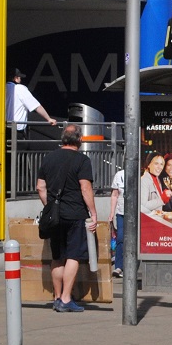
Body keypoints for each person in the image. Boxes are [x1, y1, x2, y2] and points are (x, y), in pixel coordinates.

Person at [35, 125, 97, 313]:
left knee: (57, 257)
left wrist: (50, 205)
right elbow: (85, 188)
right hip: (75, 214)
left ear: (63, 139)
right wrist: (93, 213)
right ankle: (66, 298)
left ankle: (56, 297)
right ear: (79, 140)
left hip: (55, 216)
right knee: (73, 255)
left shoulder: (48, 158)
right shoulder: (82, 160)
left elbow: (40, 187)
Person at [6, 68, 56, 134]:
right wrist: (49, 119)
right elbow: (36, 106)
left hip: (3, 129)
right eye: (20, 77)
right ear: (15, 78)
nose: (20, 79)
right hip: (16, 130)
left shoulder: (1, 88)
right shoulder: (20, 88)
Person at [109, 166, 124, 278]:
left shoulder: (140, 174)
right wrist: (112, 213)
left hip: (138, 213)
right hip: (121, 212)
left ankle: (131, 268)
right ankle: (118, 267)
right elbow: (115, 195)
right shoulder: (119, 175)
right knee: (120, 239)